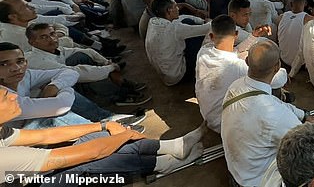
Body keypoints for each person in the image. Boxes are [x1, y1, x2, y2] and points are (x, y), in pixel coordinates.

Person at [0, 85, 206, 183]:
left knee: (101, 137)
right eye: (4, 97)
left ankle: (173, 147)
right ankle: (162, 163)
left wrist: (104, 126)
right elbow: (91, 154)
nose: (14, 96)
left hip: (27, 173)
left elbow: (45, 136)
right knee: (91, 164)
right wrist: (124, 135)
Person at [221, 41, 308, 187]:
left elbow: (273, 102)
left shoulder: (234, 86)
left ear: (247, 61)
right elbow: (309, 148)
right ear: (277, 67)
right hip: (257, 182)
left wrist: (303, 114)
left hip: (236, 174)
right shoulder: (278, 116)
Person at [195, 15, 287, 134]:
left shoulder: (204, 51)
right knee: (266, 83)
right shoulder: (238, 67)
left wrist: (253, 37)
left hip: (208, 116)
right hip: (225, 124)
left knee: (245, 59)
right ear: (236, 34)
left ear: (211, 36)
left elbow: (234, 52)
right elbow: (279, 80)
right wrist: (279, 69)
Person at [25, 23, 150, 107]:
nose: (52, 39)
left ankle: (118, 82)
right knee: (85, 73)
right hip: (43, 99)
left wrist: (106, 62)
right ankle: (116, 96)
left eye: (52, 34)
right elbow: (78, 73)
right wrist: (110, 68)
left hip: (65, 78)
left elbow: (85, 51)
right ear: (33, 42)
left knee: (82, 56)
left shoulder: (53, 49)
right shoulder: (37, 60)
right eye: (44, 37)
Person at [145, 0, 210, 86]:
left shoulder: (153, 21)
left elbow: (181, 17)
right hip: (178, 77)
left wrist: (200, 20)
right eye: (175, 6)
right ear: (169, 10)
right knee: (202, 38)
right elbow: (206, 29)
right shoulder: (175, 29)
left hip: (164, 74)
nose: (178, 8)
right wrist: (208, 21)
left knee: (187, 22)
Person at [276, 0, 313, 68]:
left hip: (283, 59)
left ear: (290, 4)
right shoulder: (309, 19)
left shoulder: (280, 17)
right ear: (305, 3)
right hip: (300, 64)